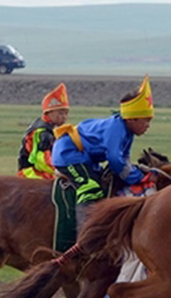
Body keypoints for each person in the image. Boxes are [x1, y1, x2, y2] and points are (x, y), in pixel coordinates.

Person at [51, 75, 157, 229]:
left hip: (86, 157)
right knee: (90, 186)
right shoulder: (117, 129)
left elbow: (124, 159)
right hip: (69, 154)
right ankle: (85, 232)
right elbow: (114, 159)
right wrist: (138, 177)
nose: (148, 126)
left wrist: (139, 175)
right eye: (145, 120)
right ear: (131, 119)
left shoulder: (128, 132)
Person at [17, 83, 70, 179]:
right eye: (61, 113)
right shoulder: (42, 132)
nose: (64, 117)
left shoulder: (51, 128)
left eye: (66, 113)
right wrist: (60, 171)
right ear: (48, 112)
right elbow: (41, 160)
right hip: (31, 172)